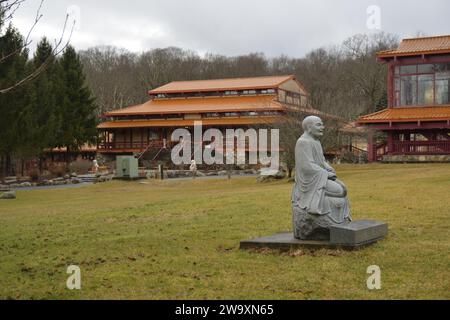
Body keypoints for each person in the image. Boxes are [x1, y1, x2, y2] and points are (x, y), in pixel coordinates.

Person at [292, 116, 352, 240]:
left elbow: (321, 161)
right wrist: (325, 174)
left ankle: (339, 221)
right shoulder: (303, 142)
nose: (322, 127)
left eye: (322, 124)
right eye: (319, 125)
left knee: (343, 188)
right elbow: (306, 166)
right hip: (310, 180)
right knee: (340, 190)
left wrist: (328, 168)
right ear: (309, 127)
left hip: (320, 175)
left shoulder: (316, 142)